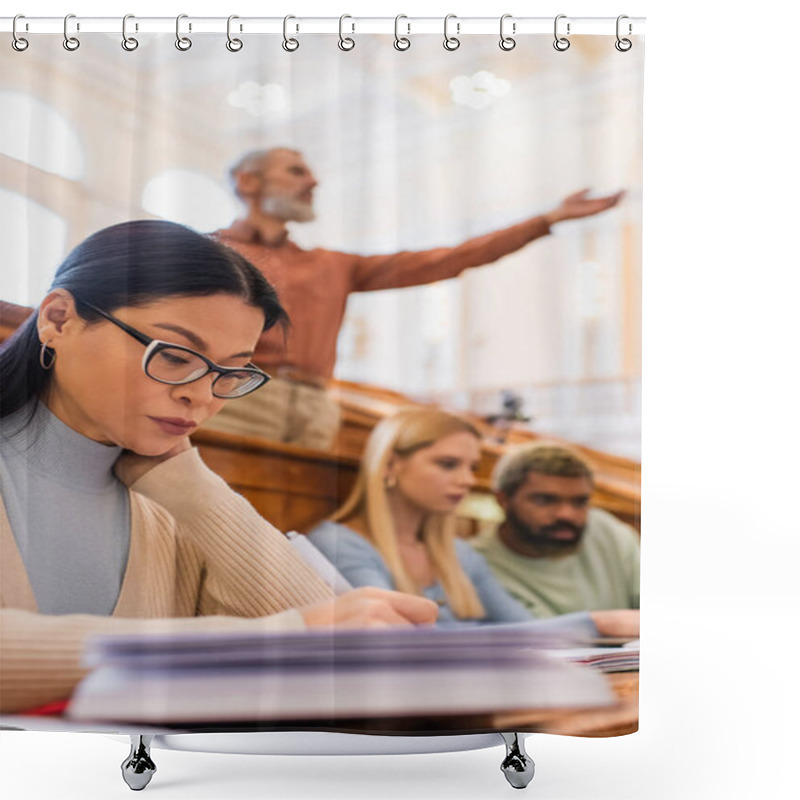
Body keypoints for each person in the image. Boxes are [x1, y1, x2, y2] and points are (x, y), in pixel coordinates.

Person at [0, 220, 438, 715]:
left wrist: (193, 487)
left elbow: (331, 653)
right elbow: (297, 633)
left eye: (228, 372)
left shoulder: (172, 501)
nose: (201, 394)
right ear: (59, 319)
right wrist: (273, 639)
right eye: (172, 355)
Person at [206, 147, 625, 449]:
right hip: (241, 394)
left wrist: (546, 220)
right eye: (296, 171)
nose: (313, 181)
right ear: (248, 182)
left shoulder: (331, 264)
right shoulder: (211, 253)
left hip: (317, 404)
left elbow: (448, 259)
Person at [308, 407, 638, 638]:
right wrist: (597, 622)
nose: (466, 480)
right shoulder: (338, 544)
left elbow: (522, 627)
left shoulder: (459, 554)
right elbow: (409, 641)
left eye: (471, 467)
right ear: (390, 465)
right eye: (448, 464)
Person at [471, 442, 640, 618]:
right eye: (545, 500)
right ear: (503, 499)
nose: (566, 515)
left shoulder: (610, 533)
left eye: (579, 502)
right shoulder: (473, 565)